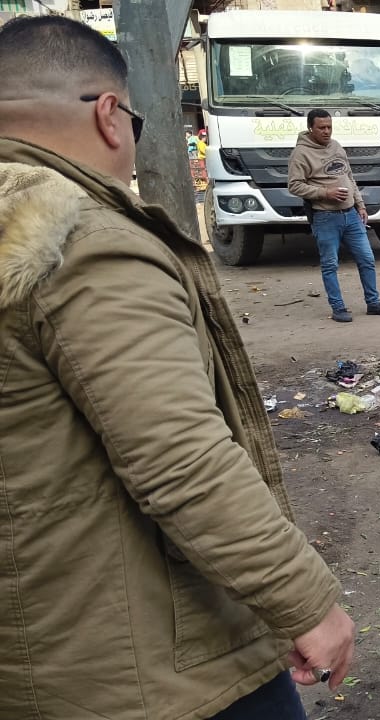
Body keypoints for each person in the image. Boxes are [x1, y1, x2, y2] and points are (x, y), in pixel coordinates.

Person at [0, 16, 354, 720]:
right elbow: (178, 455)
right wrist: (305, 600)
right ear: (109, 115)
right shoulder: (78, 238)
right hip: (141, 662)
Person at [288, 108, 380, 322]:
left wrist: (360, 205)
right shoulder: (300, 153)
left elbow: (349, 178)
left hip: (351, 215)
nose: (326, 131)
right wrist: (324, 192)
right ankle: (338, 308)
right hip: (325, 217)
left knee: (367, 259)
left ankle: (373, 303)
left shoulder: (336, 146)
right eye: (321, 128)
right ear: (310, 128)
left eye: (329, 127)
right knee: (330, 264)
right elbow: (294, 185)